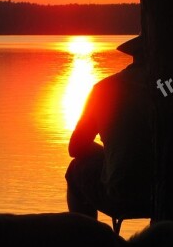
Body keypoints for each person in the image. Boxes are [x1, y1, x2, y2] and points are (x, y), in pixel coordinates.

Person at [65, 36, 153, 224]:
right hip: (168, 194)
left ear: (134, 56)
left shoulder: (103, 89)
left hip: (120, 195)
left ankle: (88, 242)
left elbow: (75, 148)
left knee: (75, 169)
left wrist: (110, 152)